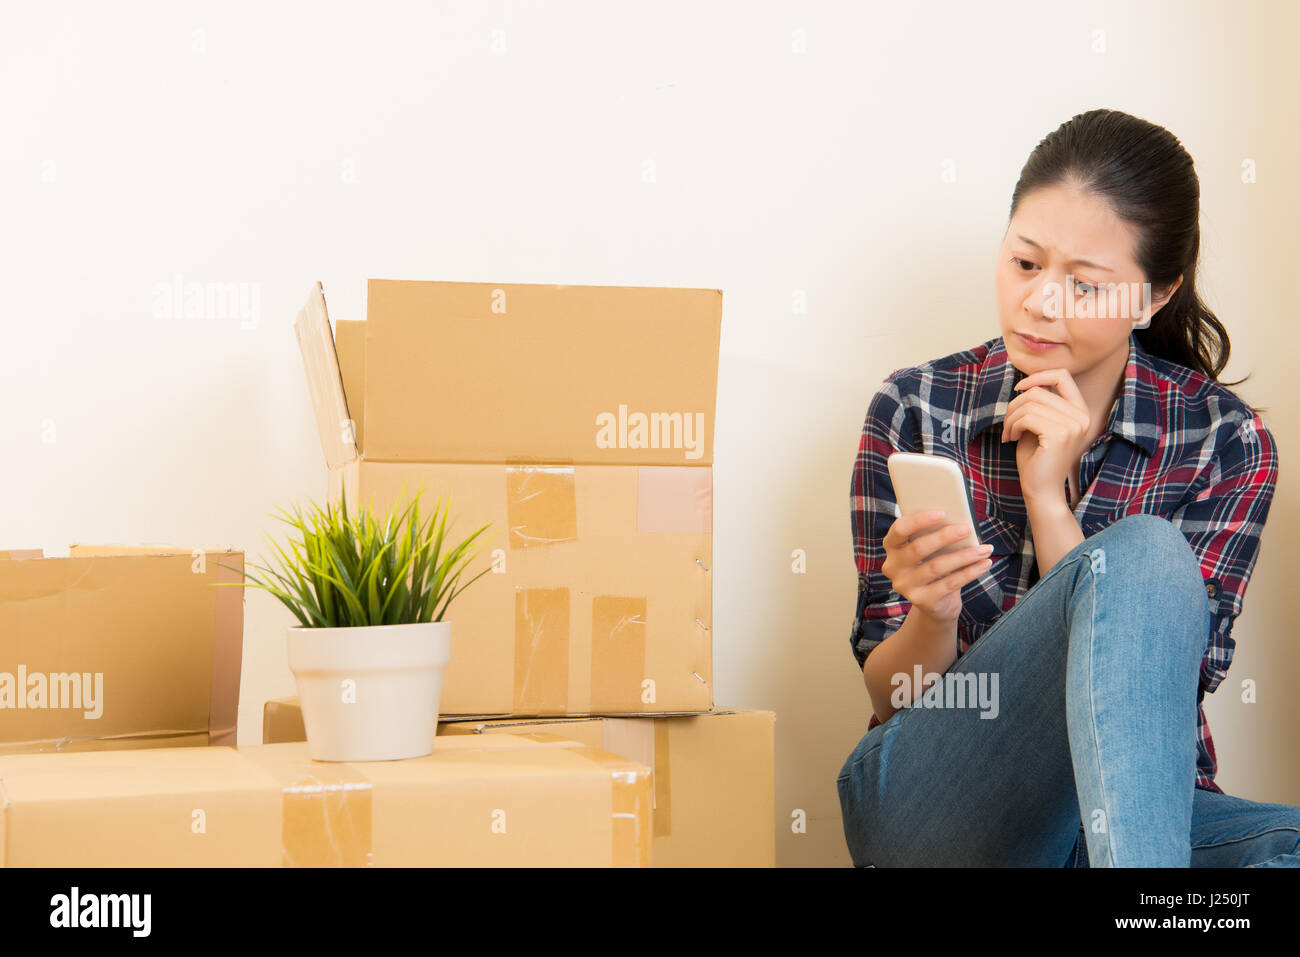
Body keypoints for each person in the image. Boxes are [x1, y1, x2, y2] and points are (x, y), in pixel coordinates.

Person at [837, 108, 1299, 867]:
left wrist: (1051, 502)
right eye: (1025, 263)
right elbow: (893, 696)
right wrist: (933, 611)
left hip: (1133, 818)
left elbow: (1162, 692)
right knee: (1144, 552)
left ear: (1154, 296)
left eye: (1085, 285)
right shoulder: (917, 405)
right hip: (941, 815)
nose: (1042, 301)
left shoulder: (1224, 439)